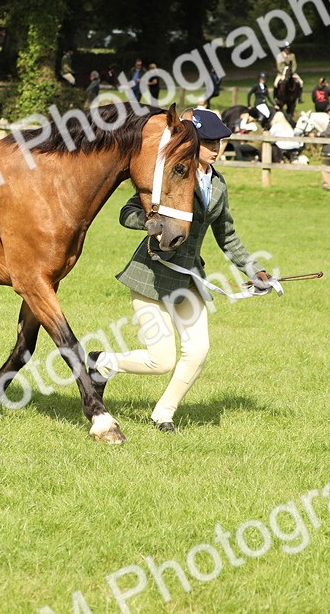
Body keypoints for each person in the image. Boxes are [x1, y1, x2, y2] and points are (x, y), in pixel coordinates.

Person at [86, 109, 274, 432]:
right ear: (192, 142)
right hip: (151, 276)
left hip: (188, 278)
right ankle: (102, 364)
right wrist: (150, 224)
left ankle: (163, 414)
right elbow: (127, 212)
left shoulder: (218, 186)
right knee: (162, 360)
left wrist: (255, 271)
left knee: (198, 350)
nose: (216, 148)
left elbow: (226, 235)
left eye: (220, 142)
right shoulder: (169, 173)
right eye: (209, 142)